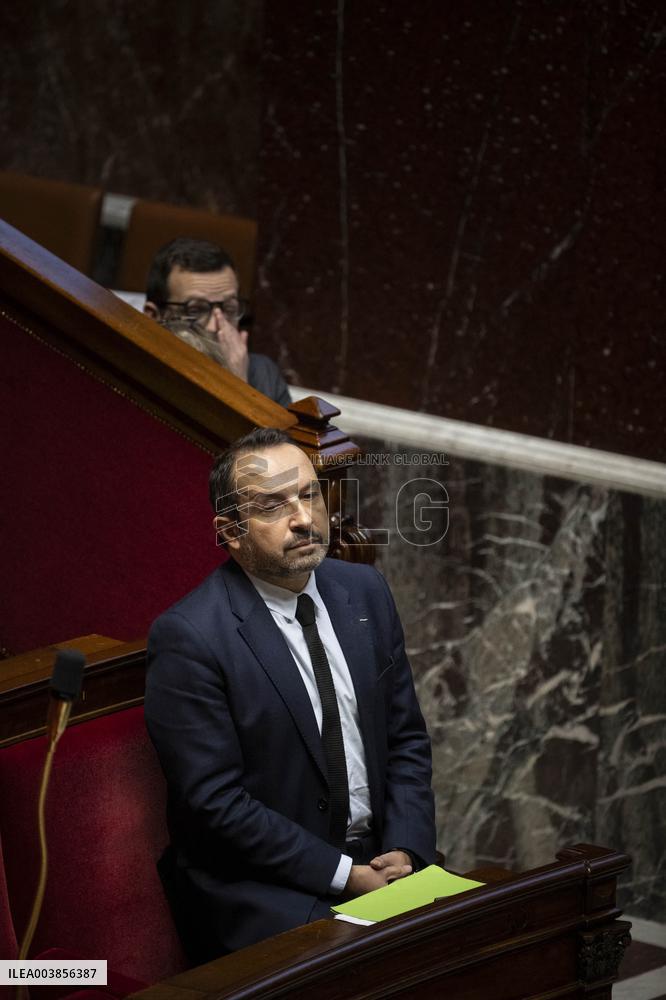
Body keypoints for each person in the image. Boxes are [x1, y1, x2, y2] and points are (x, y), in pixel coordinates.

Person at [144, 428, 436, 960]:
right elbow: (216, 804)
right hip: (265, 889)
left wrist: (406, 848)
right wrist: (346, 876)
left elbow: (406, 739)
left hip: (384, 861)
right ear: (230, 531)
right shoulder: (190, 638)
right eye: (273, 506)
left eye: (308, 495)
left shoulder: (365, 592)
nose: (303, 518)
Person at [143, 237, 291, 407]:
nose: (216, 327)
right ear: (154, 316)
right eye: (196, 310)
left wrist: (239, 387)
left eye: (229, 308)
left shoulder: (265, 375)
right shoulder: (136, 375)